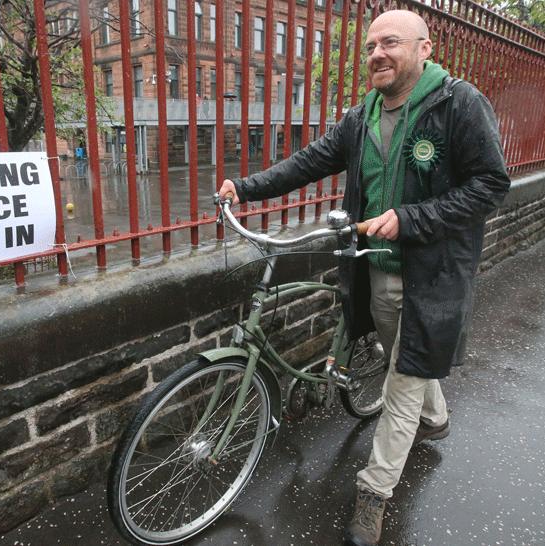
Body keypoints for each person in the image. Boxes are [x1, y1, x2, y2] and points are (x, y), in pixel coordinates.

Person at [217, 9, 510, 546]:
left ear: (424, 48)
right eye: (371, 45)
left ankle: (373, 494)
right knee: (409, 358)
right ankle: (437, 416)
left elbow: (491, 184)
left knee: (402, 384)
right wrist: (247, 186)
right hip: (374, 269)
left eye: (390, 42)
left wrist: (412, 218)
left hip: (432, 275)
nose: (377, 53)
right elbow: (309, 162)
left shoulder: (458, 104)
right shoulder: (361, 116)